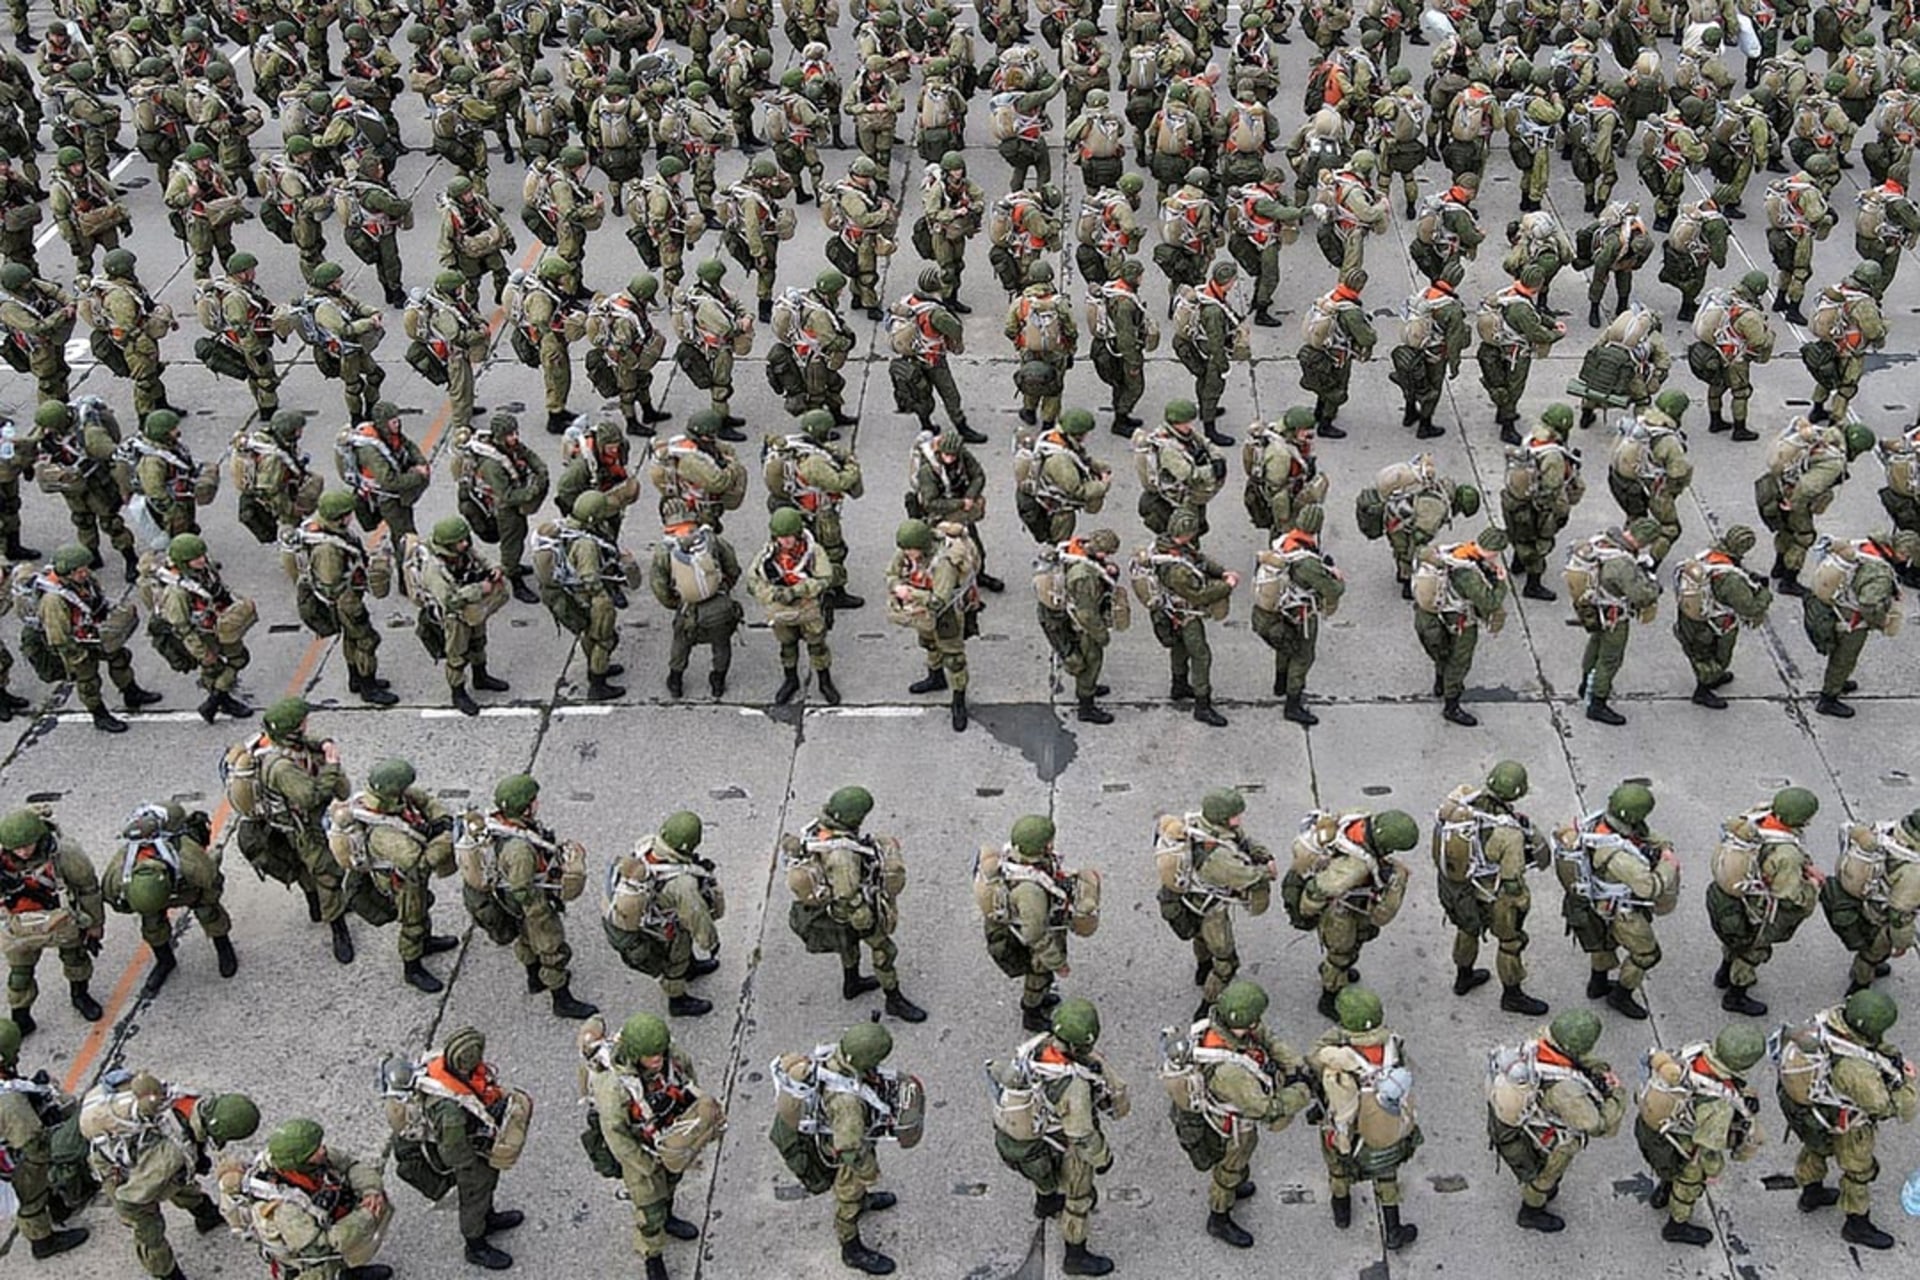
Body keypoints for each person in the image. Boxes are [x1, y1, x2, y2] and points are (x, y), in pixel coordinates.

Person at [989, 998, 1123, 1275]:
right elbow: (1082, 1134)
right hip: (1064, 1141)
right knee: (1078, 1198)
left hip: (1035, 1137)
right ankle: (1076, 1256)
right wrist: (1103, 1158)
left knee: (1045, 1171)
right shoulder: (1073, 1086)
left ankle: (1046, 1202)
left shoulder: (1037, 1048)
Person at [1774, 990, 1918, 1250]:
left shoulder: (1829, 1021)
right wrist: (1907, 1082)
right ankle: (1856, 1224)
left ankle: (1811, 1193)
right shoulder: (1854, 1070)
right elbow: (1884, 1106)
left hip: (1814, 1113)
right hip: (1845, 1121)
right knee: (1858, 1171)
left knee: (1815, 1149)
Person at [771, 1022, 915, 1276]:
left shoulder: (836, 1055)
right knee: (849, 1196)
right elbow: (849, 1149)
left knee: (857, 1186)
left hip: (843, 1133)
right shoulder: (847, 1104)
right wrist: (868, 1173)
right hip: (841, 1153)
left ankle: (864, 1201)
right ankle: (851, 1248)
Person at [584, 1013, 720, 1280]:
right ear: (636, 1054)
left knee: (670, 1185)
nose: (657, 1058)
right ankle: (652, 1256)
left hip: (669, 1139)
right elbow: (617, 1136)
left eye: (660, 1052)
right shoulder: (614, 1089)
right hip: (639, 1153)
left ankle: (668, 1217)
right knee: (649, 1210)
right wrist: (646, 1166)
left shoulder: (672, 1056)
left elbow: (690, 1081)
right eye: (650, 1055)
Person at [86, 1071, 260, 1279]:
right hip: (121, 1174)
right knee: (149, 1230)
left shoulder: (195, 1102)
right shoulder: (170, 1157)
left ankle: (206, 1215)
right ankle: (166, 1274)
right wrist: (135, 1215)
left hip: (155, 1154)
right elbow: (132, 1197)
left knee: (179, 1180)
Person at [226, 698, 360, 961]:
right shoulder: (282, 768)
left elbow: (306, 741)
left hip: (283, 822)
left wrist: (324, 742)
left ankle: (315, 906)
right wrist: (332, 766)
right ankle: (338, 928)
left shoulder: (270, 741)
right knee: (327, 873)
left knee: (303, 867)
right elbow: (310, 797)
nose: (306, 725)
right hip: (301, 826)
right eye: (302, 723)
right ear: (291, 731)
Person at [781, 787, 926, 1023]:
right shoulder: (843, 857)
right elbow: (847, 893)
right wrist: (866, 919)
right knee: (884, 950)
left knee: (847, 942)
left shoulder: (821, 827)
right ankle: (894, 999)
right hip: (848, 908)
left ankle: (852, 982)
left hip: (832, 908)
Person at [460, 773, 596, 1019]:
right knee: (551, 948)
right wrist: (542, 916)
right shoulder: (520, 851)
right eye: (533, 800)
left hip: (512, 903)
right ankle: (562, 1000)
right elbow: (522, 888)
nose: (537, 803)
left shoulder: (502, 824)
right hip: (529, 904)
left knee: (525, 939)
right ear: (524, 808)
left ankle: (534, 978)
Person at [390, 1027, 527, 1270]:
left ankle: (488, 1218)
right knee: (475, 1193)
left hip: (468, 1137)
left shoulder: (443, 1064)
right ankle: (475, 1245)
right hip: (460, 1152)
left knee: (486, 1186)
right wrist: (474, 1167)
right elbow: (454, 1153)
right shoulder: (449, 1112)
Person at [327, 757, 460, 992]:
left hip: (411, 873)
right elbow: (419, 863)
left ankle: (425, 942)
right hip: (402, 882)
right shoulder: (384, 834)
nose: (408, 790)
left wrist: (441, 819)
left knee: (422, 912)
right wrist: (447, 838)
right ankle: (412, 967)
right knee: (413, 922)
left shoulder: (394, 799)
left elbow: (426, 801)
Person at [1487, 1010, 1626, 1232]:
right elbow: (1597, 1126)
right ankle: (1531, 1211)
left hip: (1527, 1121)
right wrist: (1617, 1094)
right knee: (1545, 1176)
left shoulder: (1542, 1040)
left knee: (1544, 1173)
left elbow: (1577, 1059)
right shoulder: (1566, 1091)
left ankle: (1541, 1194)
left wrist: (1599, 1070)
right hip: (1545, 1136)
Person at [1433, 761, 1552, 1015]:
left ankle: (1463, 977)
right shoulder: (1509, 833)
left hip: (1462, 888)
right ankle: (1512, 995)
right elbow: (1512, 880)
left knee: (1467, 930)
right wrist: (1521, 902)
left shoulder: (1462, 805)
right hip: (1491, 893)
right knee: (1510, 942)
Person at [1555, 782, 1680, 1020]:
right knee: (1647, 954)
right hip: (1621, 909)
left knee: (1604, 943)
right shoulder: (1617, 855)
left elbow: (1643, 834)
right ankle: (1620, 996)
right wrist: (1668, 863)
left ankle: (1598, 984)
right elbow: (1649, 887)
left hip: (1597, 903)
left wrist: (1661, 843)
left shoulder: (1598, 824)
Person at [1309, 987, 1421, 1250]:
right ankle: (1393, 1230)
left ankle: (1342, 1211)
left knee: (1338, 1169)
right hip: (1382, 1123)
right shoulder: (1393, 1045)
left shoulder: (1338, 1056)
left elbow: (1313, 1059)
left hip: (1345, 1130)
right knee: (1387, 1175)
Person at [1633, 1025, 1765, 1246]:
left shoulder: (1695, 1052)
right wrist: (1714, 1169)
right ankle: (1677, 1225)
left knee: (1668, 1166)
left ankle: (1663, 1191)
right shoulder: (1717, 1105)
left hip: (1653, 1129)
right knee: (1689, 1183)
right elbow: (1709, 1149)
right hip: (1680, 1142)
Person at [220, 1118, 394, 1280]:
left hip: (321, 1225)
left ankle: (347, 1273)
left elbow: (350, 1165)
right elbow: (322, 1246)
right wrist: (365, 1215)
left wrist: (370, 1190)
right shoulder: (285, 1209)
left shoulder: (311, 1157)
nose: (323, 1150)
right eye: (315, 1150)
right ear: (299, 1161)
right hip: (308, 1254)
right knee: (322, 1270)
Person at [1155, 789, 1275, 1015]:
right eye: (1234, 816)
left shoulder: (1200, 823)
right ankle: (1207, 1006)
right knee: (1226, 962)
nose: (1239, 820)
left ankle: (1203, 969)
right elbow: (1246, 876)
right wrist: (1267, 871)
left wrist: (1261, 853)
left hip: (1192, 902)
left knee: (1201, 938)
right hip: (1211, 909)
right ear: (1221, 818)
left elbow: (1242, 840)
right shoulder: (1218, 856)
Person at [1289, 809, 1417, 1018]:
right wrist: (1306, 913)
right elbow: (1320, 890)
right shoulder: (1352, 869)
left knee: (1350, 946)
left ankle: (1337, 972)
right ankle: (1329, 997)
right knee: (1341, 954)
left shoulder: (1359, 819)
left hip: (1352, 899)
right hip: (1341, 913)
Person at [101, 801, 235, 997]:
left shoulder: (189, 861)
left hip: (185, 886)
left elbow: (212, 881)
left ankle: (223, 946)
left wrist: (206, 899)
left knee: (208, 912)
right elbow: (111, 898)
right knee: (152, 925)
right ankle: (165, 960)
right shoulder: (118, 877)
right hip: (150, 891)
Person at [1708, 788, 1822, 1016]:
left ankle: (1723, 973)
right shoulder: (1787, 854)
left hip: (1726, 898)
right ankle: (1736, 995)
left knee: (1735, 940)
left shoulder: (1755, 819)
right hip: (1754, 909)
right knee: (1753, 951)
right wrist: (1812, 886)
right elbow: (1789, 897)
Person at [976, 816, 1096, 1030]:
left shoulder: (1013, 856)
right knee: (1039, 973)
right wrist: (1057, 962)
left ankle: (1039, 999)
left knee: (1040, 973)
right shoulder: (1030, 892)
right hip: (1024, 935)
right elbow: (1035, 934)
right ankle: (1031, 1012)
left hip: (1021, 924)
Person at [603, 811, 724, 1017]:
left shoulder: (647, 844)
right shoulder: (683, 884)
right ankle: (678, 1000)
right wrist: (711, 942)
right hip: (662, 926)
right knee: (676, 959)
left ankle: (691, 967)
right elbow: (697, 916)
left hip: (648, 916)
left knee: (683, 942)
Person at [29, 544, 161, 732]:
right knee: (88, 680)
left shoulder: (84, 581)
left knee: (120, 657)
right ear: (68, 572)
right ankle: (99, 715)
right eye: (79, 571)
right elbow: (58, 636)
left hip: (93, 632)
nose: (85, 573)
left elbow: (97, 601)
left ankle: (131, 693)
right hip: (75, 644)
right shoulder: (53, 600)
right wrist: (76, 657)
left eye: (85, 568)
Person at [0, 807, 103, 1033]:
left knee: (76, 960)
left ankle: (80, 995)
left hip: (62, 919)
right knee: (19, 975)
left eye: (28, 845)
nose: (23, 852)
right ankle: (21, 1017)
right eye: (16, 848)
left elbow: (88, 890)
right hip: (20, 925)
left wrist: (95, 924)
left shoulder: (65, 854)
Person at [0, 1016, 91, 1258]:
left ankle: (57, 1206)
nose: (17, 1056)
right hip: (9, 1159)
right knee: (31, 1193)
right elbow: (33, 1143)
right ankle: (43, 1242)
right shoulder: (10, 1103)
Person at [1800, 531, 1918, 717]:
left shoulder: (1865, 546)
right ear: (1903, 553)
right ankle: (1828, 698)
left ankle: (1838, 681)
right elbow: (1870, 605)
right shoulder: (1879, 573)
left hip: (1834, 606)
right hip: (1850, 619)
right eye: (1908, 557)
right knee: (1845, 657)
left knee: (1840, 655)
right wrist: (1881, 623)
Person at [1138, 508, 1236, 726]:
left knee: (1179, 648)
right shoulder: (1177, 570)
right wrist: (1226, 585)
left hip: (1171, 610)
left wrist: (1220, 572)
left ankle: (1179, 685)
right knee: (1201, 655)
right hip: (1184, 612)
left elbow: (1198, 559)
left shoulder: (1165, 545)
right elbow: (1199, 595)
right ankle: (1202, 705)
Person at [884, 518, 981, 732]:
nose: (906, 554)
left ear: (922, 545)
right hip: (922, 610)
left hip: (946, 613)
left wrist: (910, 593)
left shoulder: (944, 562)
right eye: (904, 550)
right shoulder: (908, 551)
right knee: (929, 643)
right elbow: (891, 573)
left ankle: (958, 700)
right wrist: (896, 585)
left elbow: (940, 600)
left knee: (954, 658)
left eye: (910, 551)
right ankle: (936, 677)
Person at [408, 516, 510, 716]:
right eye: (459, 542)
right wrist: (480, 588)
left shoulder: (462, 551)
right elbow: (449, 601)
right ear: (447, 545)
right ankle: (458, 692)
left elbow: (479, 557)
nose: (464, 544)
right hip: (452, 615)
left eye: (465, 539)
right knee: (457, 654)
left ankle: (481, 677)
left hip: (471, 606)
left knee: (478, 641)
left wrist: (494, 568)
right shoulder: (433, 569)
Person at [1250, 504, 1343, 724]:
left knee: (1285, 646)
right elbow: (1332, 590)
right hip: (1301, 612)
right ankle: (1293, 704)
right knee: (1302, 656)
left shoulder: (1284, 541)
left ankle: (1280, 683)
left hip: (1281, 609)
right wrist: (1337, 577)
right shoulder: (1307, 563)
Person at [1410, 527, 1510, 726]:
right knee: (1459, 662)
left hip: (1434, 615)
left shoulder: (1456, 552)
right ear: (1494, 552)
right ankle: (1451, 707)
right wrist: (1501, 583)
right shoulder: (1467, 574)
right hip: (1460, 621)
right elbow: (1490, 602)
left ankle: (1440, 683)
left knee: (1442, 649)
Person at [1567, 518, 1663, 726]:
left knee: (1595, 644)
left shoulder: (1600, 542)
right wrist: (1654, 586)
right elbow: (1642, 596)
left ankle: (1585, 684)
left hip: (1592, 609)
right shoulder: (1622, 563)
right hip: (1613, 616)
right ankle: (1597, 703)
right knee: (1610, 658)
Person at [649, 500, 743, 699]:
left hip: (689, 611)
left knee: (681, 644)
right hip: (719, 607)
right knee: (721, 644)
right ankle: (718, 681)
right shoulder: (709, 538)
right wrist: (725, 586)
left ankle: (676, 681)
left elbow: (659, 587)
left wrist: (676, 602)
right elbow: (732, 565)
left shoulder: (664, 549)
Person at [747, 508, 840, 706]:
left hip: (808, 604)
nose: (786, 541)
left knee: (817, 645)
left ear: (798, 533)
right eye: (781, 537)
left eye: (789, 536)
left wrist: (798, 590)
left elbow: (825, 578)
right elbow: (753, 581)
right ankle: (791, 679)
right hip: (782, 607)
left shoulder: (812, 551)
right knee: (787, 645)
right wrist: (774, 594)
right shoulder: (768, 555)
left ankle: (824, 681)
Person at [1823, 811, 1920, 994]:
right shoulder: (1914, 872)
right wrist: (1902, 943)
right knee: (1873, 953)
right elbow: (1900, 914)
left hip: (1862, 899)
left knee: (1871, 947)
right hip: (1878, 914)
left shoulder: (1886, 830)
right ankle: (1860, 984)